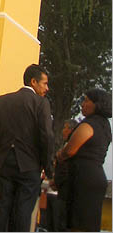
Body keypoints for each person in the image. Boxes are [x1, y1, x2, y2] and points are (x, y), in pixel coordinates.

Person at [0, 63, 54, 232]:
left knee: (1, 210)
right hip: (29, 166)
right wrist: (47, 166)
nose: (47, 88)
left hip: (5, 163)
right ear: (33, 81)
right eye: (45, 83)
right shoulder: (41, 104)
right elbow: (46, 136)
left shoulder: (3, 100)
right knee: (23, 212)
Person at [56, 88, 112, 232]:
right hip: (96, 177)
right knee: (89, 226)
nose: (82, 104)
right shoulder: (105, 126)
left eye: (86, 100)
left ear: (96, 104)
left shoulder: (89, 125)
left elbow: (70, 150)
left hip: (83, 179)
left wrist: (60, 154)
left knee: (78, 225)